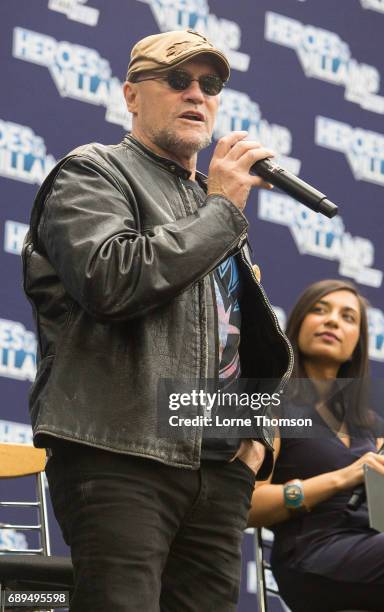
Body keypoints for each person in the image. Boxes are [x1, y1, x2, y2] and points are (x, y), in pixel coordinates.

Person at [22, 30, 292, 611]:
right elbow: (111, 280)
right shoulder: (93, 172)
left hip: (218, 473)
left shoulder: (211, 205)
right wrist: (221, 210)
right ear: (131, 95)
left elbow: (235, 342)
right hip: (122, 457)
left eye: (210, 84)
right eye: (177, 80)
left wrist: (255, 444)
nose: (197, 94)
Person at [249, 279, 384, 612]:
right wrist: (341, 478)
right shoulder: (272, 406)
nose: (333, 320)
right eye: (319, 310)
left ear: (357, 345)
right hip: (310, 558)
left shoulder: (372, 427)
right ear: (298, 325)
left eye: (348, 317)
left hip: (373, 552)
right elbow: (247, 505)